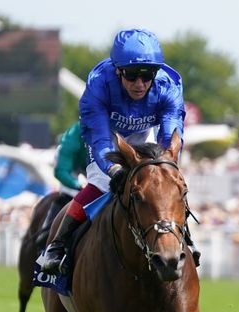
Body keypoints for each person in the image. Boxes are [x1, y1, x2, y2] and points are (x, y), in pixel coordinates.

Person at [40, 28, 196, 275]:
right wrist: (114, 171)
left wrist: (166, 165)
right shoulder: (99, 86)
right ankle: (57, 246)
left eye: (147, 76)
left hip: (146, 136)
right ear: (118, 71)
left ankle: (184, 238)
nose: (140, 83)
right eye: (132, 75)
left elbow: (171, 137)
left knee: (164, 188)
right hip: (109, 136)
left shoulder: (168, 87)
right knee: (100, 183)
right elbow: (101, 140)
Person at [36, 120, 88, 243]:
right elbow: (61, 171)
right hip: (73, 171)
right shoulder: (74, 135)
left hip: (94, 170)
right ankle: (48, 240)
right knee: (70, 195)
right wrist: (78, 185)